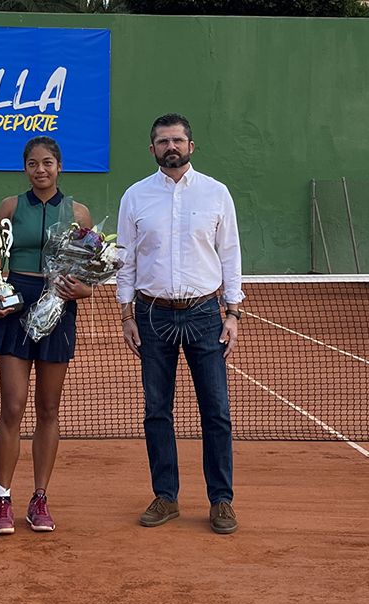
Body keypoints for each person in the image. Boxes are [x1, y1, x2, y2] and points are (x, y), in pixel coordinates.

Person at [116, 113, 243, 535]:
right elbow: (126, 259)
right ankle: (166, 496)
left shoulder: (216, 193)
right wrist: (126, 313)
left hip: (206, 314)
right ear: (151, 149)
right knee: (157, 411)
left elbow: (230, 255)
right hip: (152, 316)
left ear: (191, 146)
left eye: (178, 140)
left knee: (217, 412)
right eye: (163, 141)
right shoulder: (134, 196)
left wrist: (233, 312)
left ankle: (221, 501)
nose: (171, 146)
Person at [0, 136, 93, 535]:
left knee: (49, 409)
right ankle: (2, 498)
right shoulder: (10, 208)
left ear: (59, 166)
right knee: (12, 408)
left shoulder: (78, 213)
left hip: (58, 306)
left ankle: (40, 498)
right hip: (16, 305)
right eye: (33, 163)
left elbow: (87, 275)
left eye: (48, 163)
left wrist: (81, 290)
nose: (41, 170)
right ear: (25, 168)